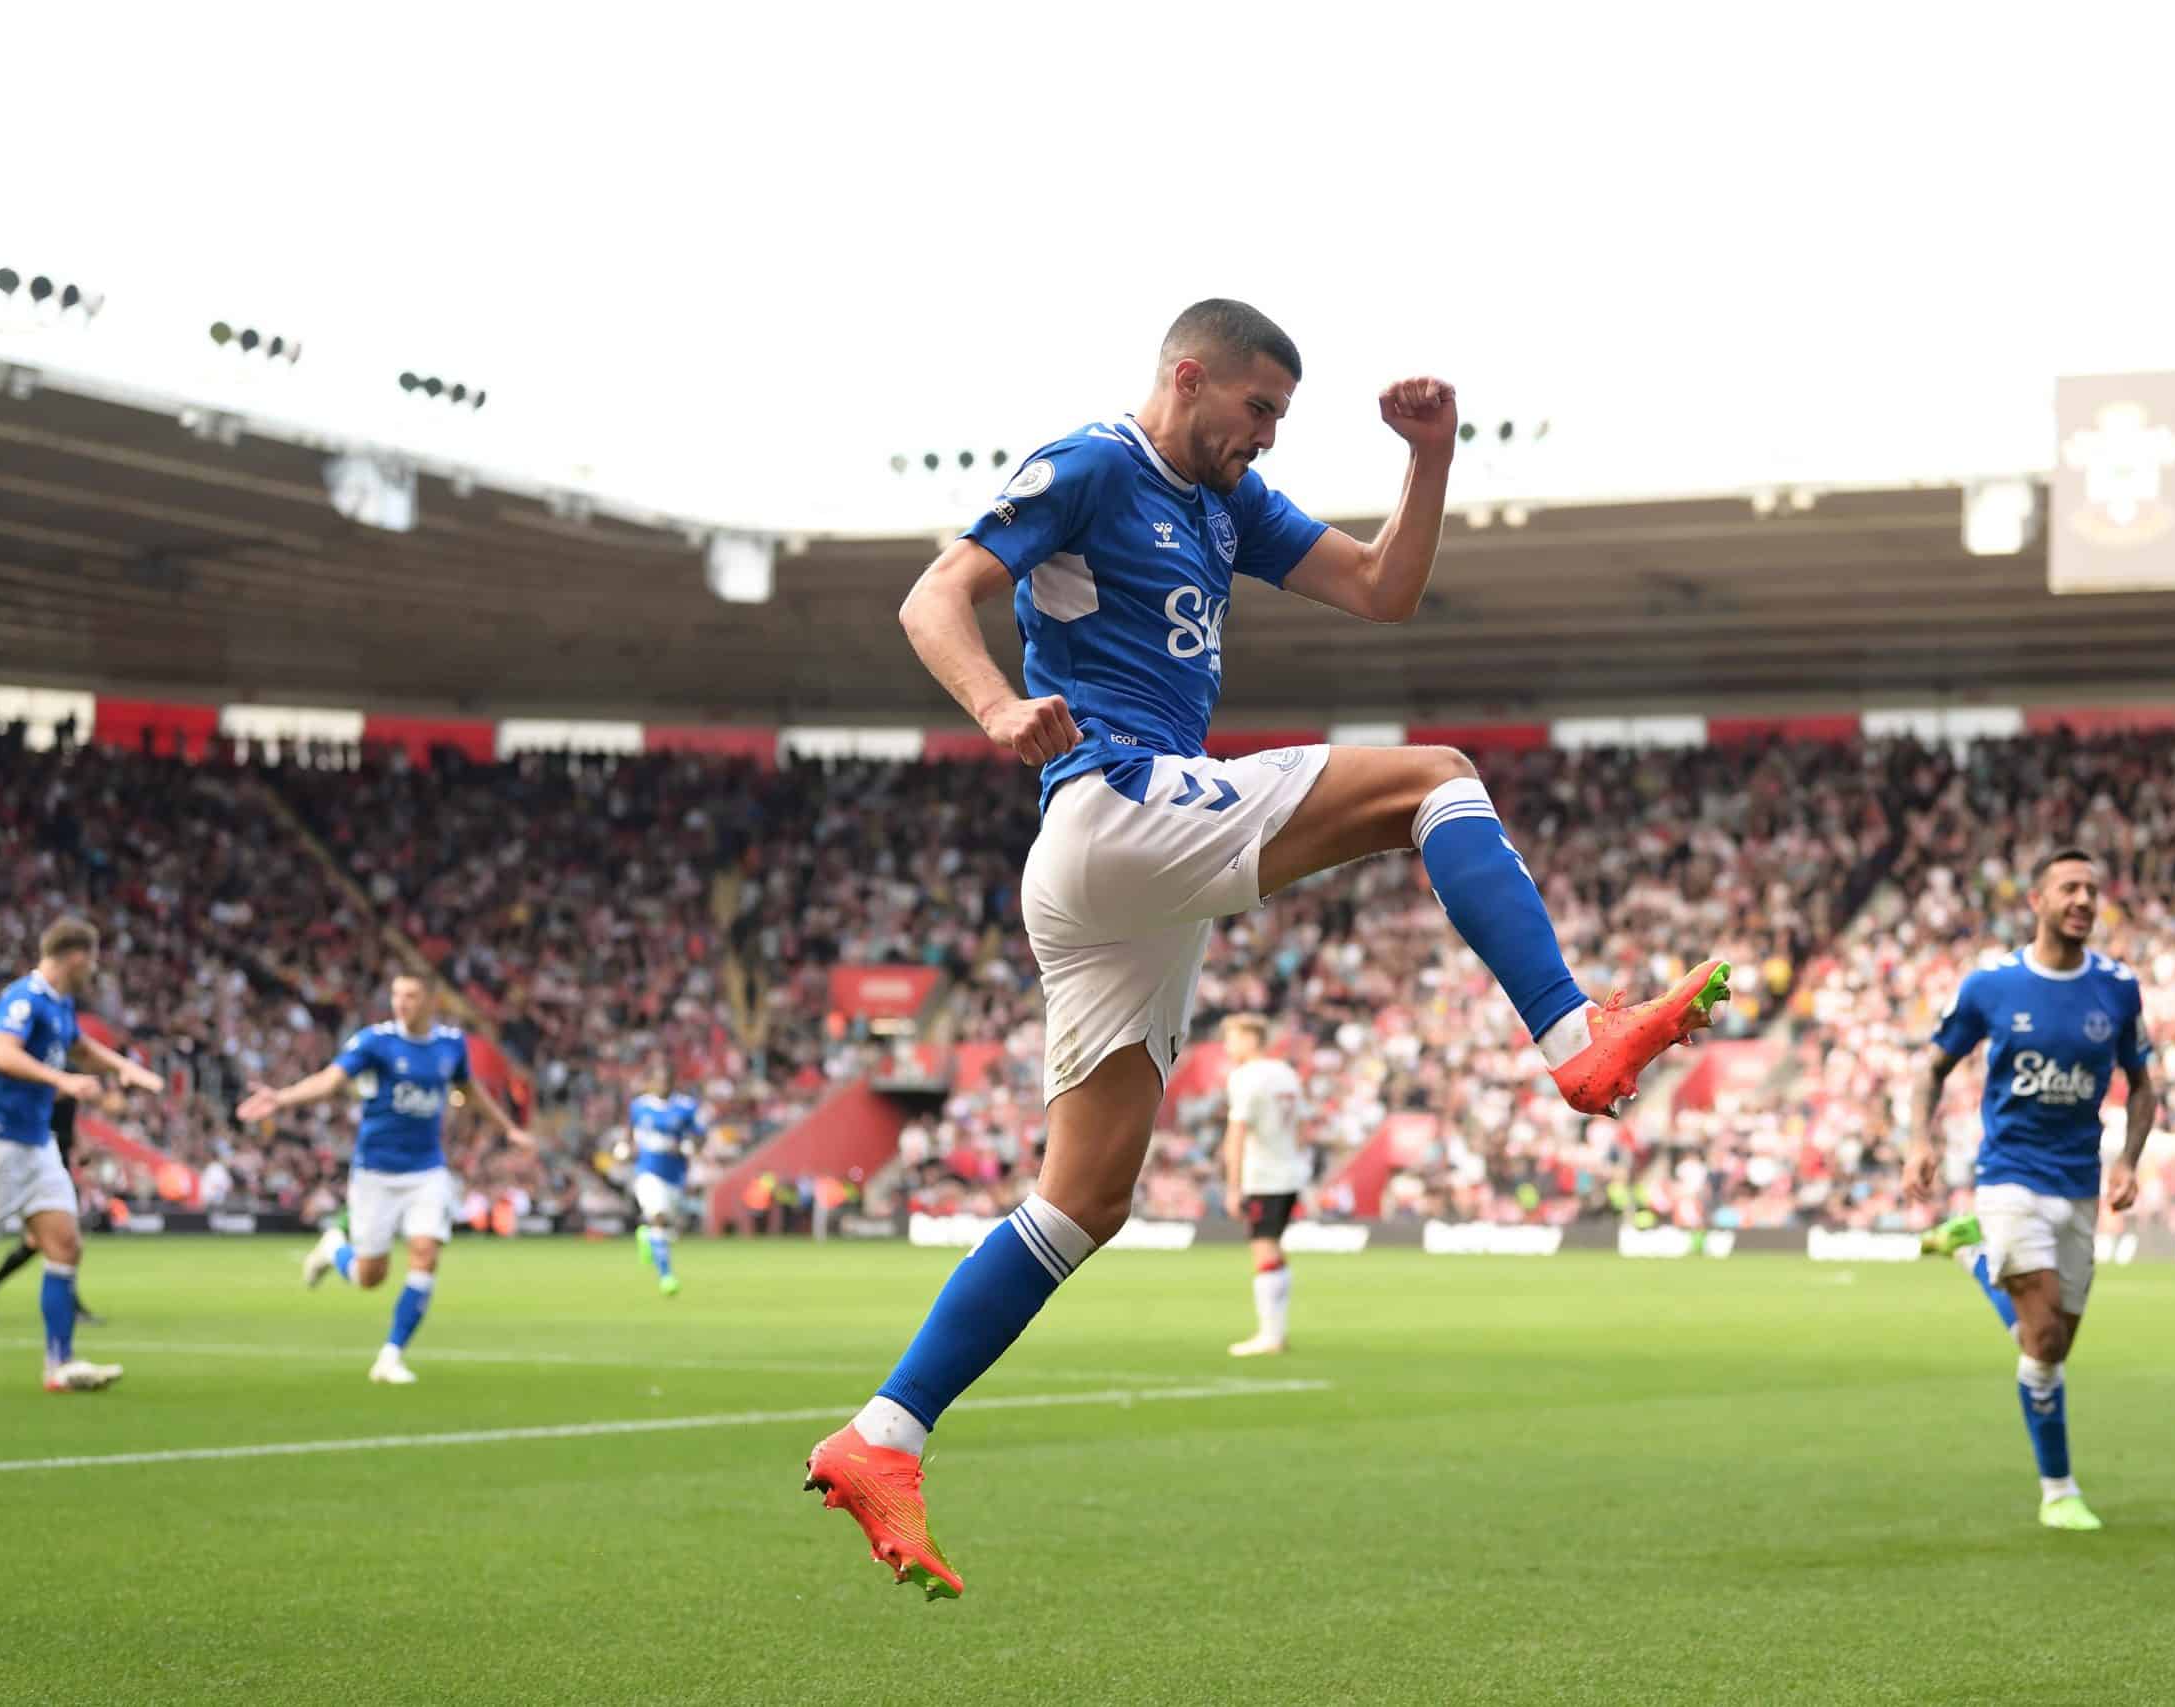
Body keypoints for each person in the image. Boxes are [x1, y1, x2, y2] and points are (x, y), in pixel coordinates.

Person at [804, 298, 1730, 1598]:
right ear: (1187, 378)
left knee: (1085, 1198)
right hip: (1116, 804)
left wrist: (1431, 457)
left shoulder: (1225, 503)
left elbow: (1383, 590)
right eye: (1258, 411)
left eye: (1283, 419)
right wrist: (1001, 702)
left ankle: (881, 1434)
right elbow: (935, 596)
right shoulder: (1090, 463)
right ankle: (1579, 1040)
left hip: (1124, 877)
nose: (1268, 439)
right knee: (1438, 778)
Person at [1904, 849, 2158, 1532]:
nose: (2083, 898)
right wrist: (1918, 1141)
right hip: (2009, 1173)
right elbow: (1930, 1069)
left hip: (2081, 1182)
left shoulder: (2118, 987)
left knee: (2052, 1342)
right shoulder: (1993, 984)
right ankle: (2058, 1489)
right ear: (2037, 901)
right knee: (2042, 1338)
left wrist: (2130, 1159)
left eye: (2092, 889)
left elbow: (2143, 1083)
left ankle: (1972, 1255)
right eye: (2068, 887)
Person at [236, 974, 533, 1384]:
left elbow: (471, 1089)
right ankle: (332, 1248)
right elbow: (330, 1081)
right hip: (375, 1174)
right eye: (396, 995)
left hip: (427, 1171)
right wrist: (281, 1097)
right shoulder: (375, 1042)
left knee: (426, 1252)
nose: (401, 1003)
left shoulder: (451, 1045)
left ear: (431, 1000)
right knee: (369, 1277)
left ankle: (390, 1356)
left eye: (411, 995)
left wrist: (507, 1128)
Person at [0, 916, 163, 1391]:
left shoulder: (60, 1006)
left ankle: (59, 1366)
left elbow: (78, 1047)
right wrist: (62, 1081)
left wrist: (124, 1069)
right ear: (73, 955)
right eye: (91, 957)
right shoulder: (24, 998)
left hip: (36, 1145)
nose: (94, 968)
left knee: (64, 1245)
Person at [0, 1088, 103, 1326]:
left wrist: (78, 1145)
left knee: (44, 1241)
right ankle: (68, 1307)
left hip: (51, 1163)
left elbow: (65, 1122)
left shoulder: (65, 1075)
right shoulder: (53, 1073)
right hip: (36, 1165)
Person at [1219, 1013, 1306, 1357]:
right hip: (1289, 1172)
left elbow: (1237, 1132)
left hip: (1264, 1176)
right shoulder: (1286, 1073)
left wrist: (1232, 1186)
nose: (1228, 1045)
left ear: (1252, 1040)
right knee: (1274, 1250)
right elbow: (1299, 1125)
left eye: (1233, 1037)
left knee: (1264, 1249)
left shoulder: (1244, 1077)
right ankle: (1276, 1331)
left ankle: (1269, 1335)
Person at [616, 1062, 702, 1297]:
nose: (662, 1085)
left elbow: (699, 1137)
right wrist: (625, 1148)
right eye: (658, 1081)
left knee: (664, 1225)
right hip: (647, 1172)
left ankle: (646, 1235)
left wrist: (688, 1147)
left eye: (667, 1081)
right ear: (650, 1083)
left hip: (675, 1174)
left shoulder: (685, 1107)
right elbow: (630, 1132)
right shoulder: (640, 1106)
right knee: (659, 1217)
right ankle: (667, 1277)